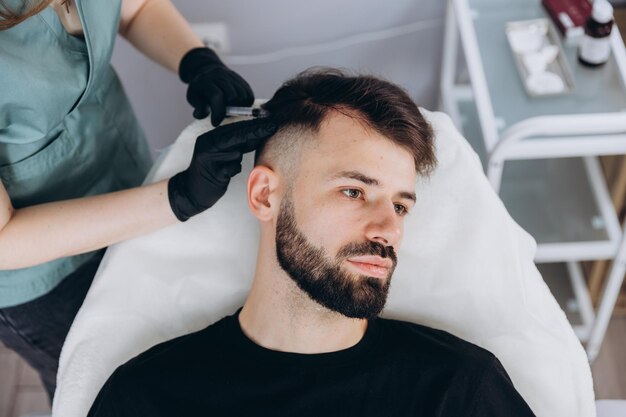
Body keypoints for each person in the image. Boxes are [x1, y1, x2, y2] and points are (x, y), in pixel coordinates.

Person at [86, 68, 537, 417]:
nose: (389, 230)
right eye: (354, 191)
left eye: (401, 206)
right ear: (265, 195)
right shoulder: (148, 396)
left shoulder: (458, 389)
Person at [0, 0, 276, 402]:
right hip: (41, 275)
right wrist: (175, 199)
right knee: (106, 392)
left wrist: (196, 60)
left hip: (123, 176)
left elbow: (135, 7)